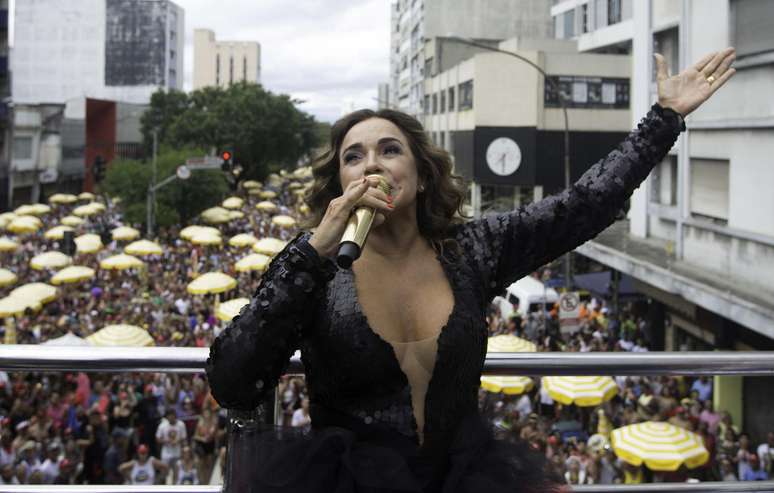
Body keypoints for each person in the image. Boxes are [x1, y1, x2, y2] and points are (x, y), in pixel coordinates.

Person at [206, 48, 736, 492]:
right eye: (355, 156)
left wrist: (663, 119)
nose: (372, 164)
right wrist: (314, 253)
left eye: (390, 150)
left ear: (419, 170)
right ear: (338, 178)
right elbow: (232, 378)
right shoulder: (312, 263)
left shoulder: (474, 247)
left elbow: (585, 206)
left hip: (466, 476)